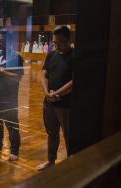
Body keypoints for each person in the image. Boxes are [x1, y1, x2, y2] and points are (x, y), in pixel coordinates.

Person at [0, 28, 24, 161]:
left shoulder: (16, 57)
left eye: (1, 40)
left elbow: (18, 77)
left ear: (10, 41)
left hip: (9, 99)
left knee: (12, 126)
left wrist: (2, 72)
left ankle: (14, 150)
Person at [37, 25, 73, 171]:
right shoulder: (51, 55)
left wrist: (57, 93)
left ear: (68, 40)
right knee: (52, 133)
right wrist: (47, 93)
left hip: (66, 105)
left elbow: (75, 82)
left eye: (61, 43)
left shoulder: (75, 56)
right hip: (49, 103)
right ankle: (51, 160)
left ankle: (72, 163)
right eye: (55, 43)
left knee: (69, 135)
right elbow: (44, 74)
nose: (58, 46)